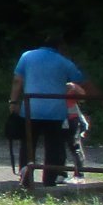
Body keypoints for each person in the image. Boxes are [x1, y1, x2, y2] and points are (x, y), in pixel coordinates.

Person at [10, 31, 86, 188]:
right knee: (53, 147)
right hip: (55, 112)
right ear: (59, 47)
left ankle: (25, 178)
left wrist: (13, 102)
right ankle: (49, 180)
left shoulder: (27, 56)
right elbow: (79, 80)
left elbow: (18, 80)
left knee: (28, 145)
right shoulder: (63, 61)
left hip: (31, 109)